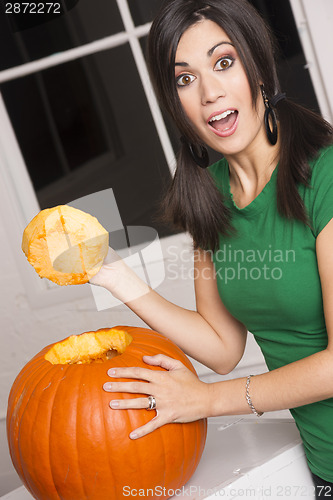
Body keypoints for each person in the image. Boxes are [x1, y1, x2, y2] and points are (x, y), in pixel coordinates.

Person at [90, 0, 333, 496]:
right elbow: (223, 348)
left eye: (224, 63)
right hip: (325, 463)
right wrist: (114, 275)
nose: (209, 92)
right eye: (184, 79)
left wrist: (205, 400)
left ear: (259, 68)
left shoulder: (325, 174)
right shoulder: (209, 195)